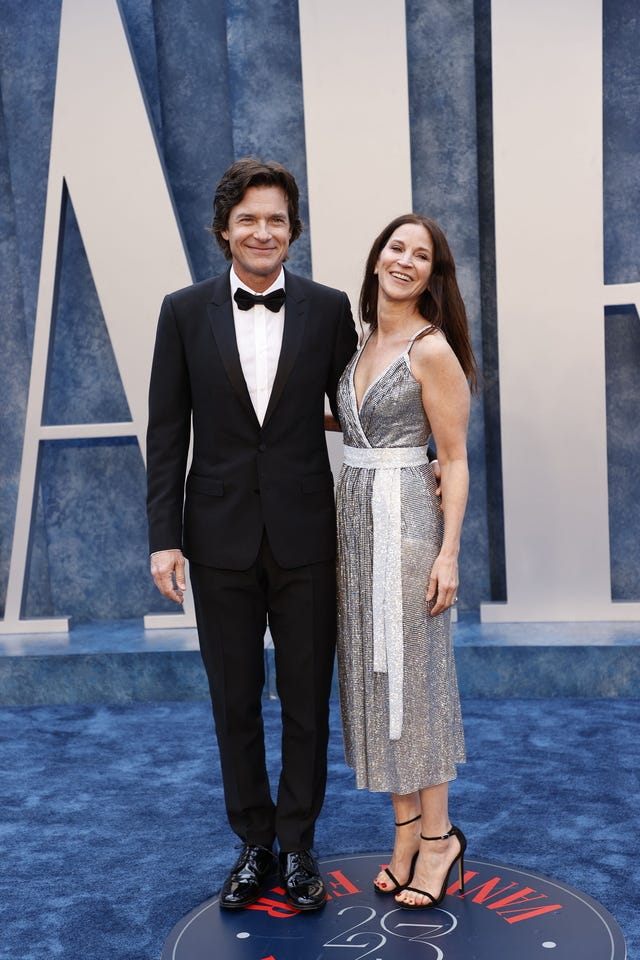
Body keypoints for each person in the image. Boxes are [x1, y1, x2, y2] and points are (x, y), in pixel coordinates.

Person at [146, 158, 357, 911]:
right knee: (233, 700)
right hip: (217, 537)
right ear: (223, 231)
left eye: (276, 219)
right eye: (248, 220)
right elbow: (167, 431)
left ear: (292, 230)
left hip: (307, 535)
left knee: (306, 699)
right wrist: (164, 538)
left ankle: (298, 845)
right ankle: (254, 843)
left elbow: (358, 409)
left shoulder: (330, 309)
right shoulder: (182, 311)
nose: (262, 231)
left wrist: (424, 455)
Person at [335, 213, 477, 910]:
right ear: (376, 258)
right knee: (374, 676)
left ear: (431, 275)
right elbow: (353, 422)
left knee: (414, 681)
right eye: (396, 247)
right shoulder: (361, 342)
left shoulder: (431, 349)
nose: (405, 260)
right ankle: (404, 835)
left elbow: (453, 457)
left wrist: (448, 555)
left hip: (409, 526)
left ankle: (440, 838)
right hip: (353, 528)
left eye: (421, 256)